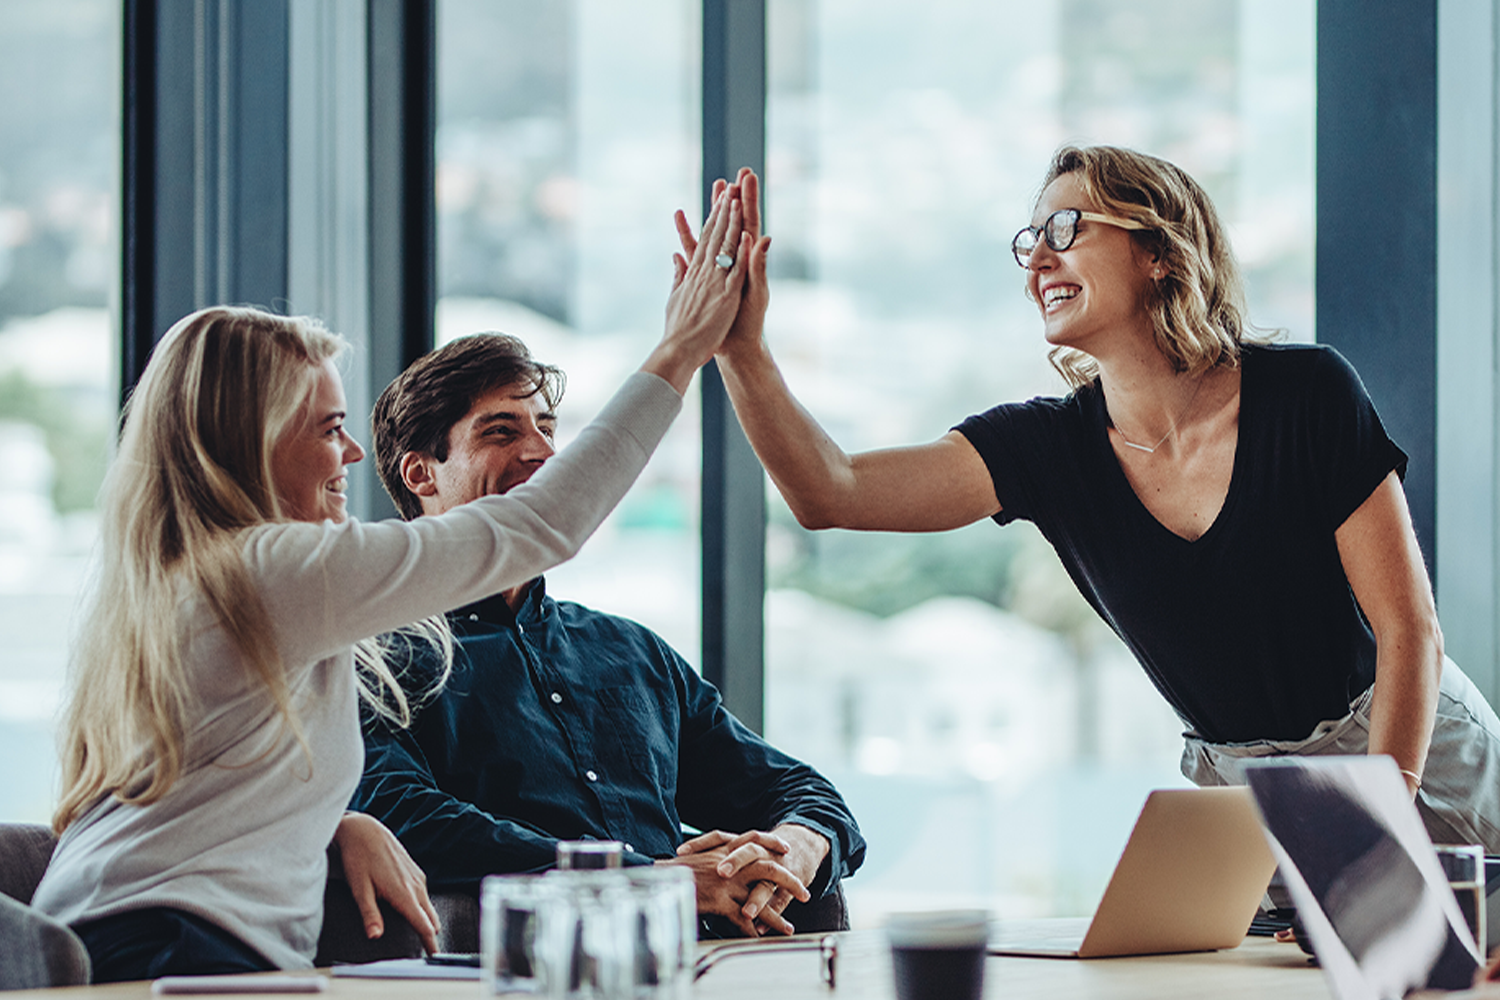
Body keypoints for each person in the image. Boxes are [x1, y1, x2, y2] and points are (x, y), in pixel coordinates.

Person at [29, 181, 755, 982]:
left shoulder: (188, 579)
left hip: (125, 934)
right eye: (328, 428)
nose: (350, 456)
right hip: (171, 947)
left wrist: (337, 822)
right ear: (251, 439)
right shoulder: (266, 570)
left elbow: (210, 782)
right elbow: (541, 525)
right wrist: (679, 351)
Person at [703, 152, 1500, 854]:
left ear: (1158, 249)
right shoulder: (1047, 451)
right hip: (1255, 802)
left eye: (1064, 230)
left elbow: (1409, 632)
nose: (1035, 264)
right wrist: (741, 349)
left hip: (1412, 755)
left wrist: (1374, 833)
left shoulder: (1308, 394)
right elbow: (828, 490)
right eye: (1028, 244)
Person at [351, 332, 865, 940]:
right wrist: (646, 878)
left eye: (546, 427)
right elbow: (404, 816)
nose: (543, 451)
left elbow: (799, 789)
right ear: (421, 473)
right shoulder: (374, 657)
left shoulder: (631, 651)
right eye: (501, 431)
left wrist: (795, 846)